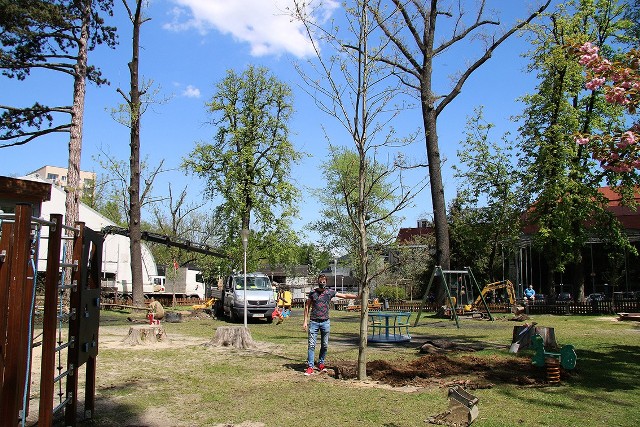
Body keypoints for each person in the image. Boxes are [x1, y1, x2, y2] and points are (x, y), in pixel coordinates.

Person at [302, 274, 357, 375]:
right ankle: (310, 367)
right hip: (314, 322)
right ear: (318, 281)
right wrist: (305, 321)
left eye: (324, 281)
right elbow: (307, 307)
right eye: (320, 281)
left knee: (325, 345)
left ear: (326, 282)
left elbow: (344, 295)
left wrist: (358, 296)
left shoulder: (329, 292)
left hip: (325, 322)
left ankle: (321, 363)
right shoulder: (312, 293)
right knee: (311, 345)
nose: (322, 283)